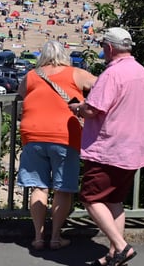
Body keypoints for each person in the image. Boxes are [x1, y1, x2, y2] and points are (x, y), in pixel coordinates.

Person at [69, 28, 144, 266]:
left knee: (90, 197)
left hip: (110, 146)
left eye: (103, 45)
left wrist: (77, 108)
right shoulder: (141, 72)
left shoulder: (112, 74)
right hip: (134, 145)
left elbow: (94, 110)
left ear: (110, 48)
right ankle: (114, 254)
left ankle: (121, 245)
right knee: (114, 199)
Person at [16, 41, 96, 251]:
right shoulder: (75, 73)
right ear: (64, 55)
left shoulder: (32, 75)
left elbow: (22, 93)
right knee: (62, 188)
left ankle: (38, 237)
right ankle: (55, 237)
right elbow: (102, 87)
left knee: (39, 186)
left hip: (32, 133)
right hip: (64, 135)